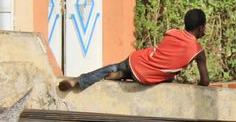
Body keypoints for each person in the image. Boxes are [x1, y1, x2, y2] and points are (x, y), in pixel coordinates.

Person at [58, 9, 209, 91]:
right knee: (169, 75)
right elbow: (205, 82)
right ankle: (121, 75)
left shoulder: (171, 32)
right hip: (146, 77)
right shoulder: (198, 51)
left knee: (115, 66)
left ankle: (80, 79)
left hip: (137, 60)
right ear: (201, 27)